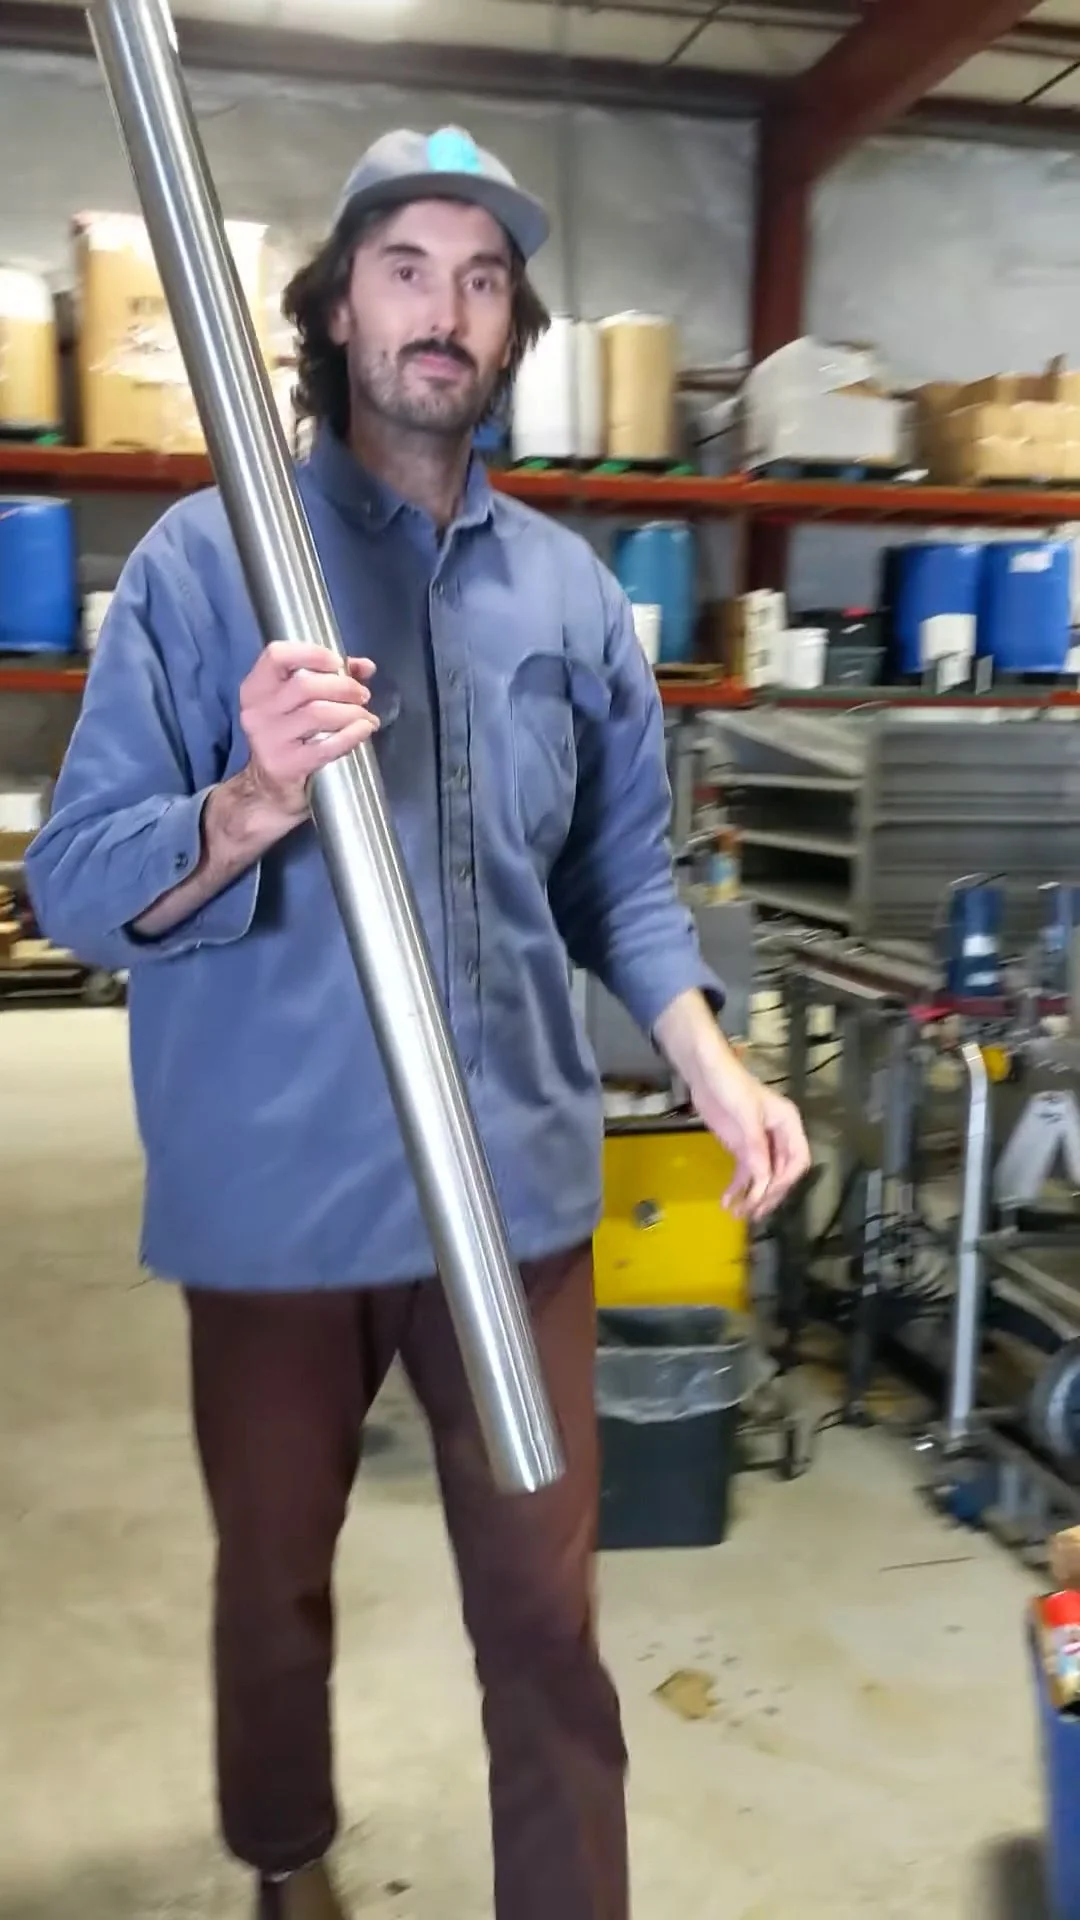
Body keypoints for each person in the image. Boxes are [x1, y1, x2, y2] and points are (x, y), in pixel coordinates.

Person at [26, 127, 811, 1920]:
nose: (444, 313)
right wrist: (242, 805)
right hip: (280, 1195)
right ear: (334, 310)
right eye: (406, 269)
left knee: (548, 1617)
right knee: (274, 1584)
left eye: (481, 279)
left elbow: (622, 877)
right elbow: (72, 887)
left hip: (518, 1191)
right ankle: (285, 1863)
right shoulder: (206, 567)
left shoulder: (569, 596)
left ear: (512, 326)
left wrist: (710, 1056)